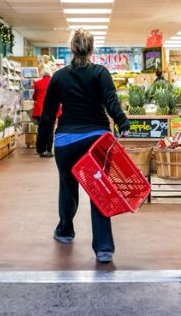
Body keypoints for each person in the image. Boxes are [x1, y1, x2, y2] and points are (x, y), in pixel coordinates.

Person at [36, 29, 130, 264]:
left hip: (67, 140)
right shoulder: (100, 73)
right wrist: (122, 122)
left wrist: (41, 143)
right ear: (92, 49)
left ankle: (65, 231)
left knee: (68, 187)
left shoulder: (58, 77)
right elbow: (111, 101)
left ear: (71, 48)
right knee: (99, 190)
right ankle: (104, 248)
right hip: (96, 140)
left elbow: (48, 114)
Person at [32, 65, 57, 157]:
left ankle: (40, 150)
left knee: (41, 130)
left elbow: (34, 97)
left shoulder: (37, 83)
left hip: (39, 110)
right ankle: (49, 150)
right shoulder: (54, 82)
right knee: (50, 131)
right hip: (51, 109)